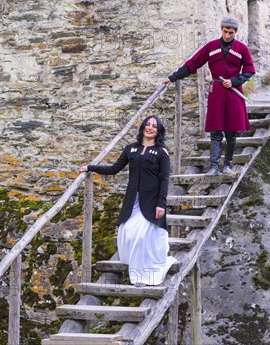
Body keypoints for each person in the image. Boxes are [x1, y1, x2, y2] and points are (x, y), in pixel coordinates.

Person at [78, 115, 176, 286]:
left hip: (151, 201)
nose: (150, 128)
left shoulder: (162, 153)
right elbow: (114, 169)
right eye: (147, 124)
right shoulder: (131, 149)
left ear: (158, 131)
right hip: (133, 200)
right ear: (143, 127)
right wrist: (90, 167)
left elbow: (165, 179)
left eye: (154, 126)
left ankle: (141, 276)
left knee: (141, 236)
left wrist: (162, 204)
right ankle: (137, 265)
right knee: (128, 233)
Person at [163, 16, 256, 175]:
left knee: (231, 132)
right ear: (221, 29)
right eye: (225, 32)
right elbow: (192, 64)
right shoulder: (211, 47)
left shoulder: (242, 49)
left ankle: (227, 165)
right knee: (216, 131)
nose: (227, 36)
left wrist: (234, 81)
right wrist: (173, 77)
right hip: (217, 93)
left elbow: (249, 70)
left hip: (234, 94)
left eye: (231, 33)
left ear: (236, 32)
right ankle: (214, 167)